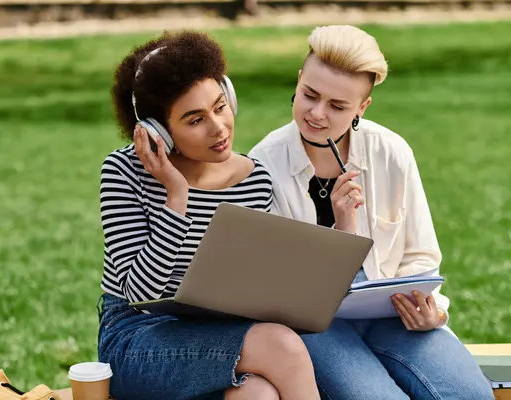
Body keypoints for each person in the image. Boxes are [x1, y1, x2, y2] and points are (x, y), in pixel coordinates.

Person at [249, 25, 494, 399]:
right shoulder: (263, 166)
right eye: (309, 95)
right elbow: (277, 290)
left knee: (469, 394)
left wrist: (432, 313)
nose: (317, 114)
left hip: (392, 315)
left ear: (362, 107)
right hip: (315, 326)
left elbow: (421, 255)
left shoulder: (391, 152)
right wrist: (344, 230)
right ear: (298, 81)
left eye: (337, 106)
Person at [96, 30, 321, 400]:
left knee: (258, 394)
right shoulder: (123, 172)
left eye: (220, 106)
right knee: (280, 345)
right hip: (137, 340)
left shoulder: (254, 179)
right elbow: (141, 291)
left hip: (215, 332)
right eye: (195, 119)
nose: (219, 127)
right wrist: (176, 194)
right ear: (159, 133)